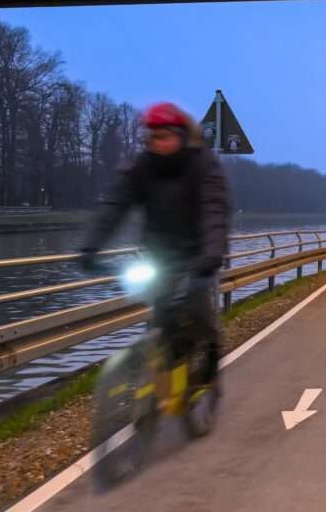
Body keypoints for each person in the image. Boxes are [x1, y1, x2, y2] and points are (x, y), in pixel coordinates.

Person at [80, 101, 231, 397]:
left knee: (197, 309)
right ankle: (161, 386)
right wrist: (90, 248)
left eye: (164, 137)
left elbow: (214, 211)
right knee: (161, 317)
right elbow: (115, 206)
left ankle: (211, 360)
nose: (157, 144)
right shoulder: (142, 167)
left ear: (181, 136)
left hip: (199, 253)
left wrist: (212, 255)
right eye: (152, 138)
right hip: (158, 255)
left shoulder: (202, 164)